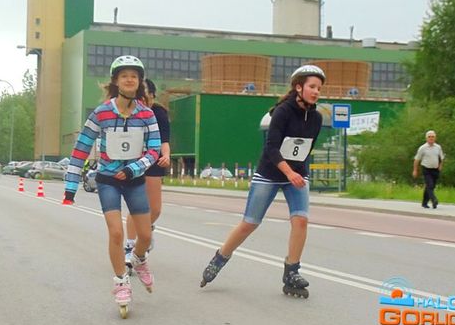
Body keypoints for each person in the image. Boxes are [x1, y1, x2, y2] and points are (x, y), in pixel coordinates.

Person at [200, 64, 325, 299]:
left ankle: (292, 271)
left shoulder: (316, 118)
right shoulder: (282, 112)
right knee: (250, 222)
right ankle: (220, 258)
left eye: (319, 88)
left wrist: (297, 173)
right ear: (299, 88)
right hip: (270, 173)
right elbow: (271, 148)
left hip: (296, 174)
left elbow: (305, 149)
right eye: (312, 87)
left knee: (301, 221)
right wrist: (288, 172)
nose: (316, 92)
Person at [63, 55, 161, 316]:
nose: (129, 80)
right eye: (124, 76)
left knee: (146, 236)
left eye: (134, 76)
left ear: (139, 82)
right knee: (116, 233)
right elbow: (81, 147)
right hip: (108, 181)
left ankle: (139, 259)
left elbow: (154, 151)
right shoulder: (102, 112)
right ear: (115, 81)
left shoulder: (147, 114)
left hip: (134, 180)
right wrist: (70, 186)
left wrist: (133, 169)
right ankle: (121, 282)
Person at [125, 79, 171, 263]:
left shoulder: (159, 113)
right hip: (134, 161)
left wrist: (166, 155)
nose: (141, 99)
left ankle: (147, 230)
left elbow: (164, 140)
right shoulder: (129, 111)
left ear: (152, 95)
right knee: (136, 206)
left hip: (154, 161)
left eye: (145, 95)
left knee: (155, 209)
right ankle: (130, 246)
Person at [413, 130, 444, 209]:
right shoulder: (422, 148)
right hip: (426, 169)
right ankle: (434, 200)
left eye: (432, 137)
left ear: (435, 138)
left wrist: (440, 166)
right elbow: (417, 159)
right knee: (430, 185)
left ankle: (424, 203)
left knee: (431, 186)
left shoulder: (438, 147)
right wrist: (415, 170)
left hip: (435, 169)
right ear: (426, 138)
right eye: (429, 137)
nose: (431, 138)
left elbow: (441, 158)